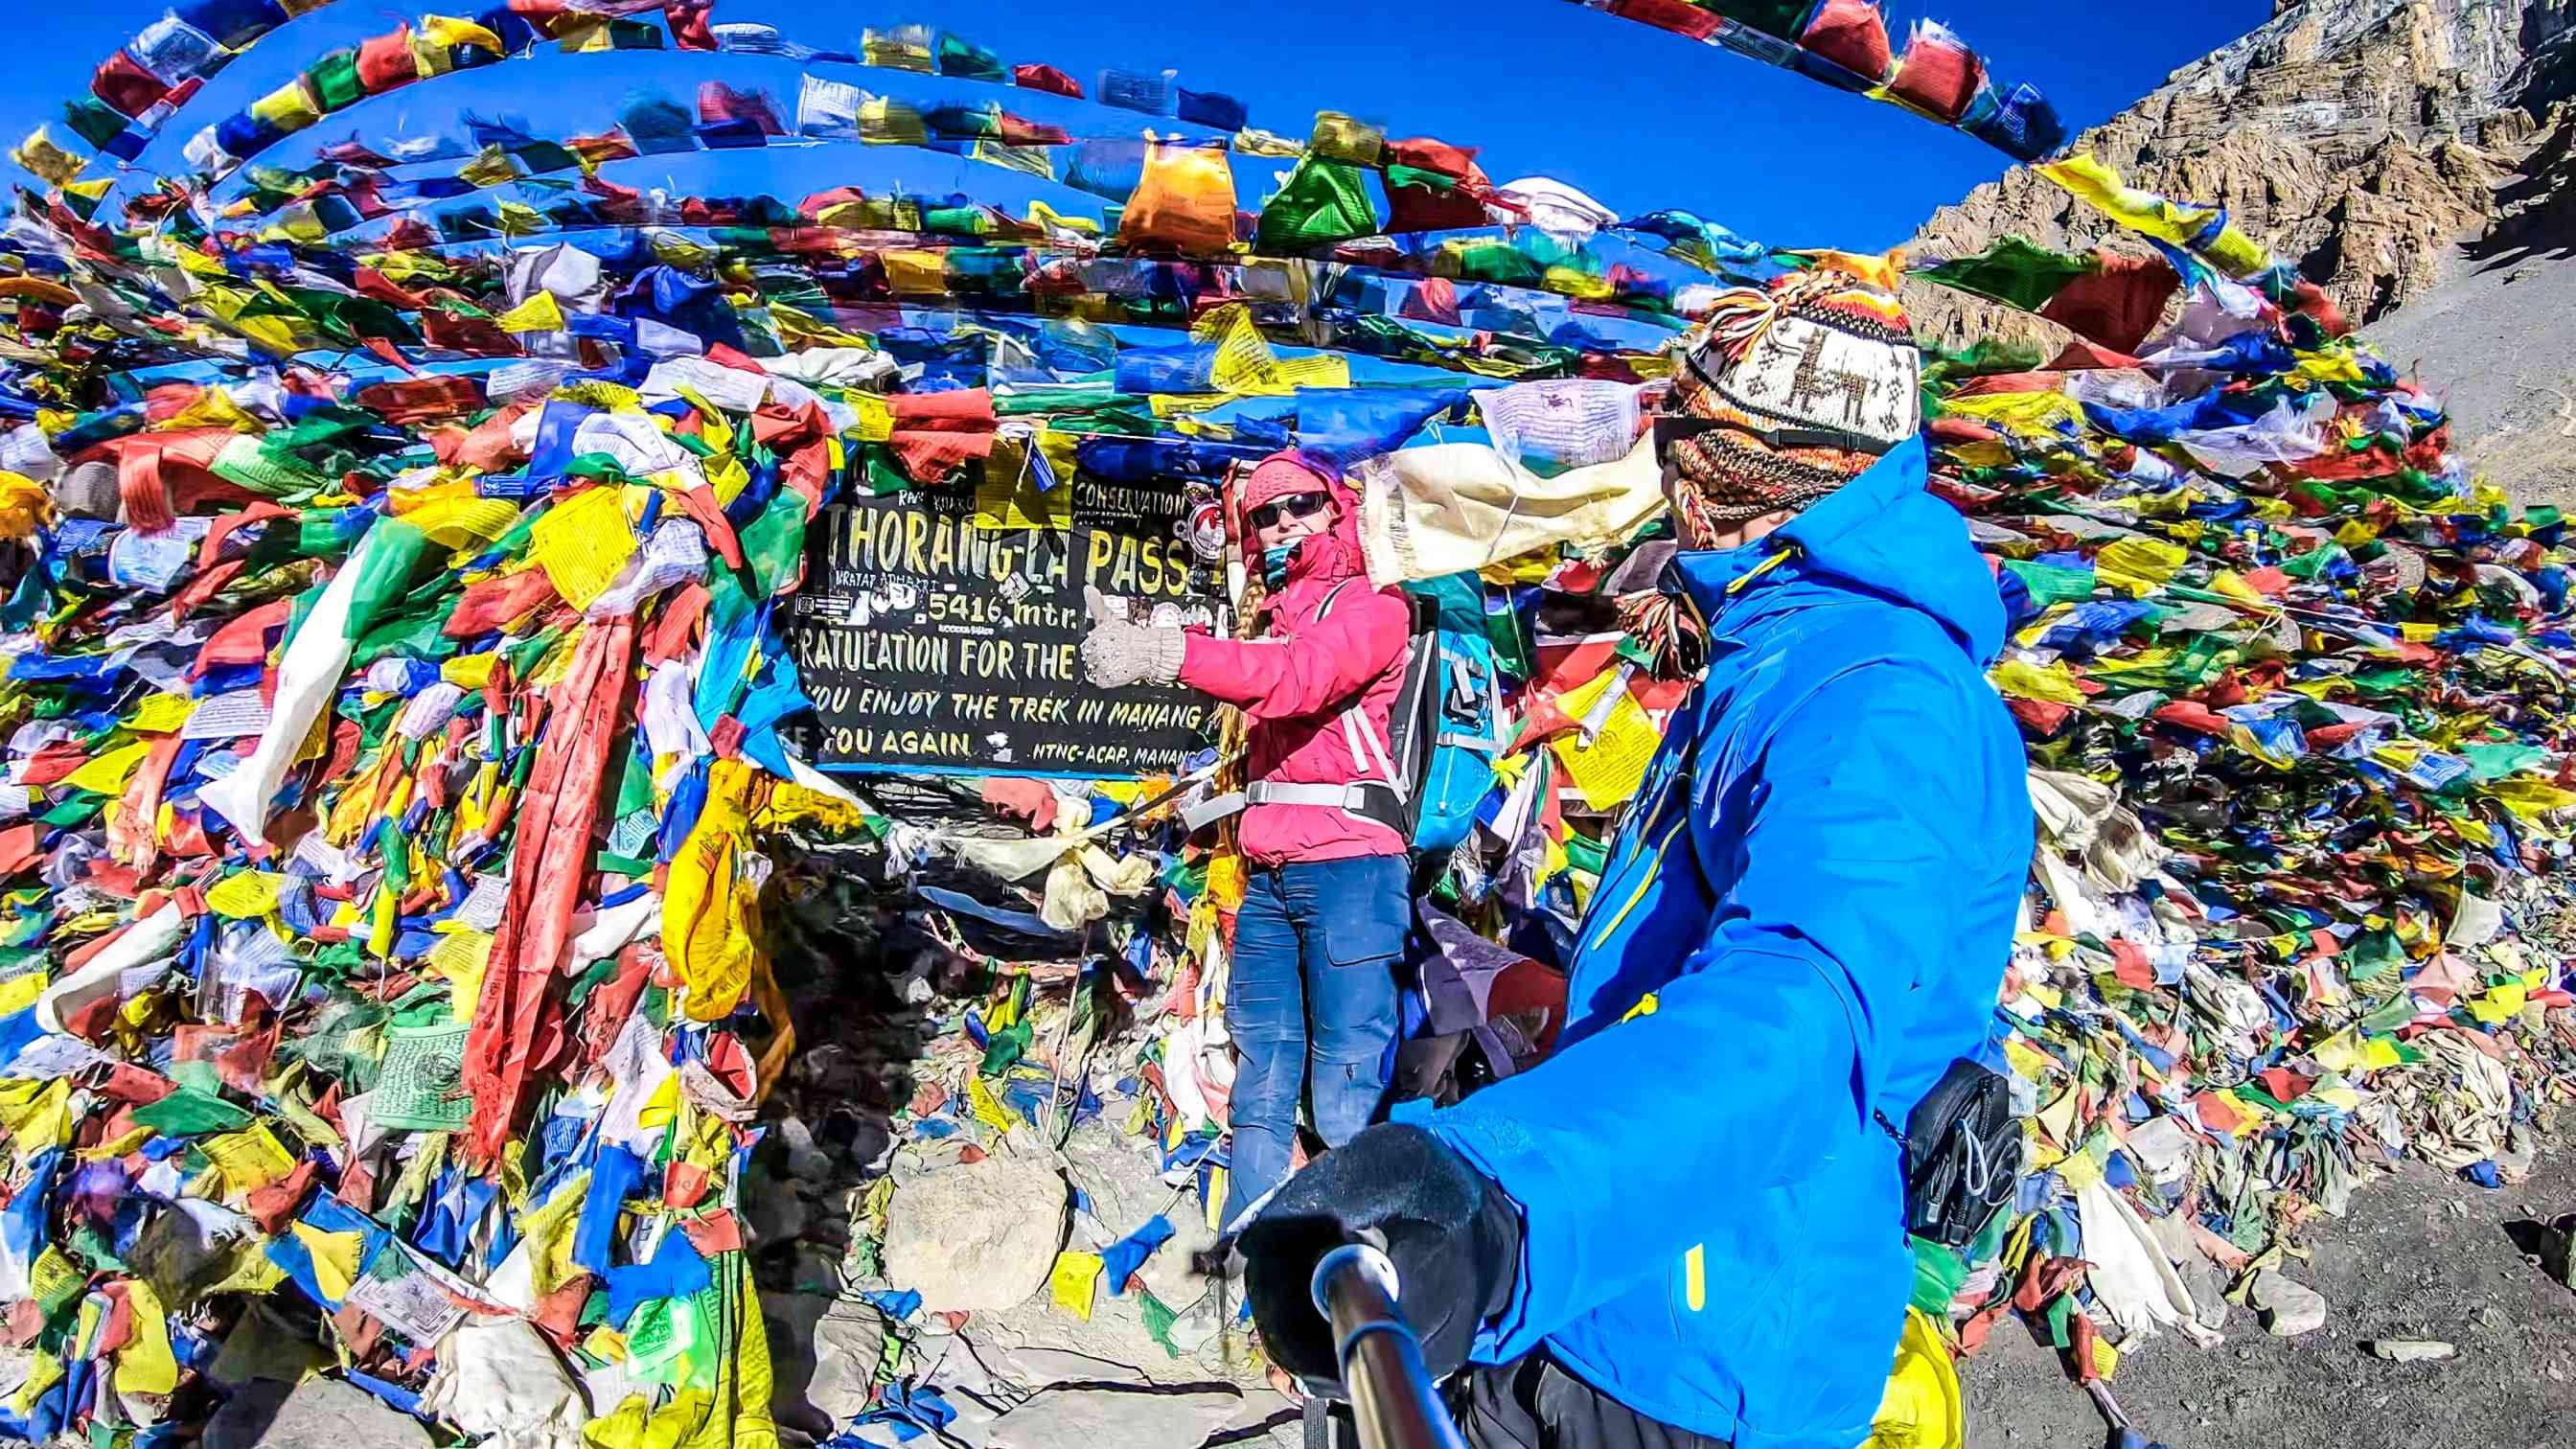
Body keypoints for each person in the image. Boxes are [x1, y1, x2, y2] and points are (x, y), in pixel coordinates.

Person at [1237, 266, 2035, 1449]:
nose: (1668, 475)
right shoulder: (1783, 654)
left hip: (1704, 1330)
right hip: (1631, 1268)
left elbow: (1806, 1003)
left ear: (1746, 458)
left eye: (1691, 435)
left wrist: (1507, 1198)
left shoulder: (1878, 691)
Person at [1081, 449, 1415, 1230]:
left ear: (1337, 510)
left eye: (1297, 505)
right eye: (1261, 515)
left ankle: (1356, 1271)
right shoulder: (1272, 621)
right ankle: (1254, 1259)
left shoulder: (1372, 606)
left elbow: (1298, 679)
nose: (1279, 525)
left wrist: (1167, 653)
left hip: (1352, 873)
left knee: (1347, 1089)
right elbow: (1268, 673)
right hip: (1268, 877)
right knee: (1260, 1075)